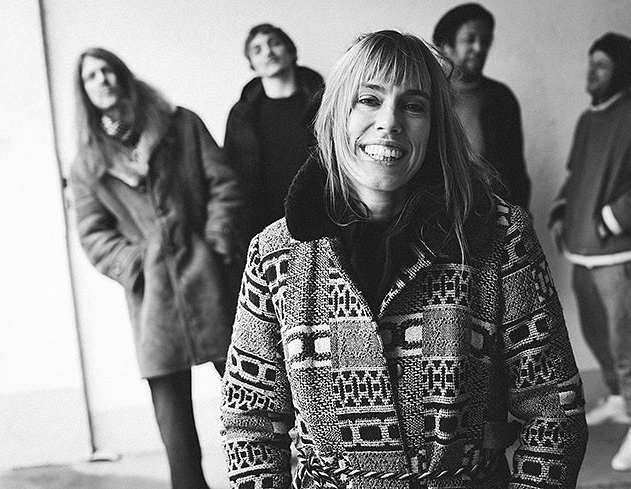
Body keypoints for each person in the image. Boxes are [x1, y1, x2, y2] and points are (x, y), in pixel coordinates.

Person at [221, 30, 587, 489]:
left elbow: (555, 412)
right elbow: (249, 425)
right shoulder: (275, 254)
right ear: (335, 116)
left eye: (414, 106)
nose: (389, 122)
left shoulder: (499, 237)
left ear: (435, 127)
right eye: (368, 100)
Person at [70, 48, 245, 489]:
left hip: (210, 278)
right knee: (172, 417)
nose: (102, 79)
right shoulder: (88, 162)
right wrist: (136, 265)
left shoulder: (180, 124)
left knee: (250, 391)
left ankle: (271, 475)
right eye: (91, 76)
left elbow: (224, 184)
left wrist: (216, 243)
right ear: (84, 92)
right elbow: (93, 234)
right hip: (153, 299)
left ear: (122, 75)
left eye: (107, 70)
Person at [549, 33, 631, 471]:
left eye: (601, 66)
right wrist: (562, 211)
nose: (591, 73)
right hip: (583, 250)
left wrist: (608, 219)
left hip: (620, 252)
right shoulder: (589, 120)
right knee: (595, 333)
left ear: (621, 73)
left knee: (627, 339)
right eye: (590, 63)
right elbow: (576, 177)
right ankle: (620, 398)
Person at [223, 23, 324, 239]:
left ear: (291, 51)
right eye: (257, 50)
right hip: (259, 224)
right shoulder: (242, 115)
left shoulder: (323, 104)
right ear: (252, 65)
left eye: (275, 43)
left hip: (315, 216)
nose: (268, 52)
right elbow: (231, 170)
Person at [433, 3, 531, 209]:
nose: (479, 49)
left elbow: (516, 171)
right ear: (446, 46)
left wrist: (519, 218)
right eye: (470, 39)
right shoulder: (428, 95)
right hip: (436, 211)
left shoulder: (502, 98)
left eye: (485, 42)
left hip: (491, 212)